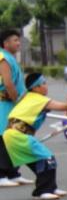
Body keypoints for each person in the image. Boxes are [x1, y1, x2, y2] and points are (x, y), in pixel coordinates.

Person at [1, 72, 67, 199]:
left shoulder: (28, 97)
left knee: (39, 161)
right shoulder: (38, 99)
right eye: (43, 83)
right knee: (47, 158)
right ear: (35, 88)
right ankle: (43, 191)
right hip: (17, 135)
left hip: (12, 134)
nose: (46, 86)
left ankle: (51, 187)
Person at [0, 28, 31, 187]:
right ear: (5, 43)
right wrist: (17, 100)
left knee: (13, 137)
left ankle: (13, 173)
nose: (18, 43)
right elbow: (8, 83)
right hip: (5, 103)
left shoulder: (10, 57)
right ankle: (1, 175)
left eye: (18, 40)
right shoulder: (3, 57)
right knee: (3, 137)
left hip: (12, 102)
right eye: (15, 40)